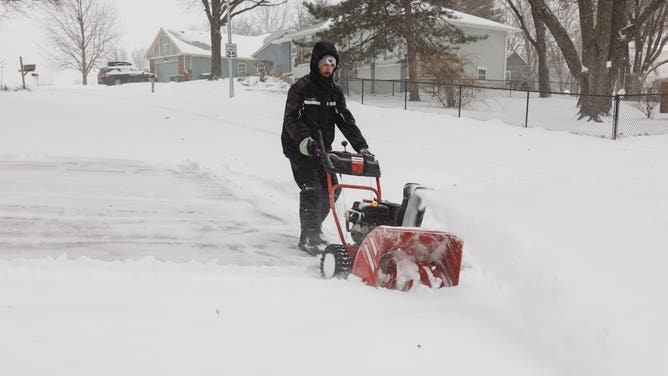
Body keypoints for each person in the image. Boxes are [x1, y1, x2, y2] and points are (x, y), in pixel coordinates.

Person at [282, 41, 373, 255]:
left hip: (322, 148)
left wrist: (362, 147)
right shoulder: (301, 88)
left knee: (333, 188)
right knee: (312, 188)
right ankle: (309, 236)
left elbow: (345, 121)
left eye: (332, 64)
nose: (328, 68)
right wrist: (304, 140)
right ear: (316, 63)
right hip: (299, 146)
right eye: (325, 63)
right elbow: (291, 118)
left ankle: (314, 227)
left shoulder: (334, 92)